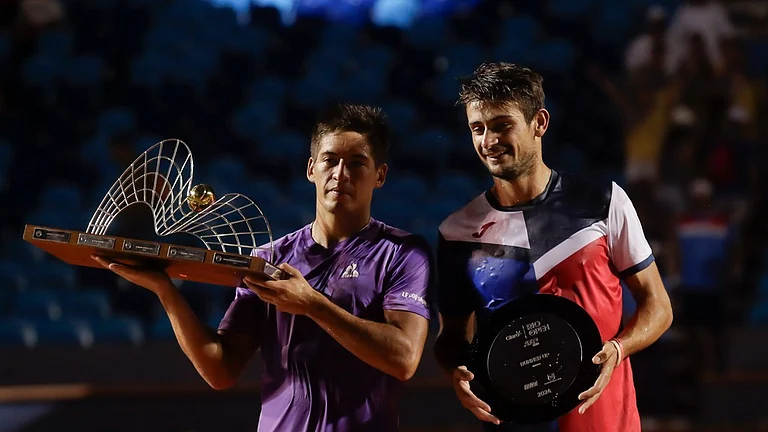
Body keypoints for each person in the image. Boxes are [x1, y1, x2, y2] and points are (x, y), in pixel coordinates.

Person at [92, 103, 434, 432]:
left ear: (380, 175)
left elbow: (403, 359)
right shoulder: (268, 257)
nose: (340, 174)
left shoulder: (403, 253)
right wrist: (165, 290)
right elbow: (221, 370)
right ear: (311, 168)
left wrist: (311, 304)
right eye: (330, 160)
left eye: (357, 163)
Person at [433, 62, 674, 432]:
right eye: (477, 129)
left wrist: (618, 348)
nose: (488, 141)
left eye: (502, 125)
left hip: (606, 423)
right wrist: (458, 374)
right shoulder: (457, 232)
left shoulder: (605, 201)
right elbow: (451, 339)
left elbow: (658, 306)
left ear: (539, 123)